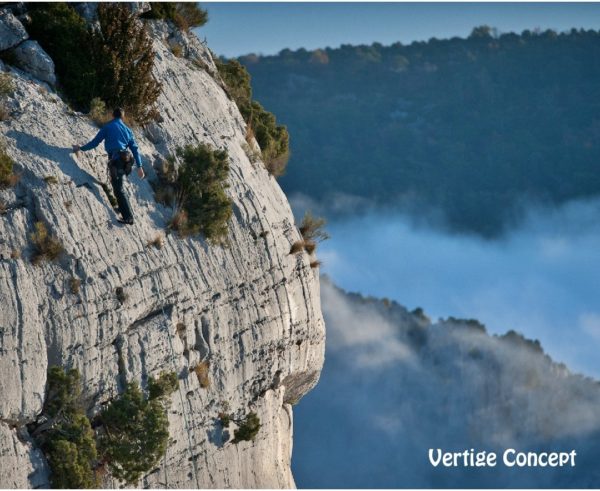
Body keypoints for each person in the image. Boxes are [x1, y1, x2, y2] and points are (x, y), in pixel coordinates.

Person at [73, 108, 145, 225]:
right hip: (126, 160)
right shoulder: (128, 130)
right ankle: (122, 209)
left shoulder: (107, 127)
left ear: (112, 115)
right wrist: (140, 166)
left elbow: (95, 142)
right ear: (122, 117)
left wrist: (80, 148)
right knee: (117, 185)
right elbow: (135, 149)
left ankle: (128, 217)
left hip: (116, 160)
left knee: (118, 188)